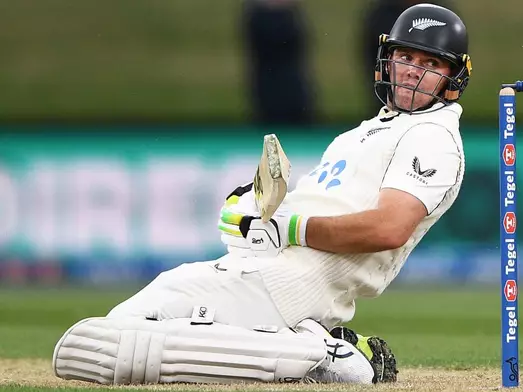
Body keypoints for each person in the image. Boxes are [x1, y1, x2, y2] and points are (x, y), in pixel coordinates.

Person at [52, 3, 472, 386]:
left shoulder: (433, 137)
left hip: (299, 282)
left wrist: (288, 228)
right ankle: (310, 343)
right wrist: (255, 209)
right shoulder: (365, 131)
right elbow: (310, 209)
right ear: (387, 60)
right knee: (116, 327)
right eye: (405, 57)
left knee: (99, 345)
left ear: (454, 76)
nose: (413, 70)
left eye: (429, 62)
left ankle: (320, 356)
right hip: (264, 268)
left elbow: (389, 228)